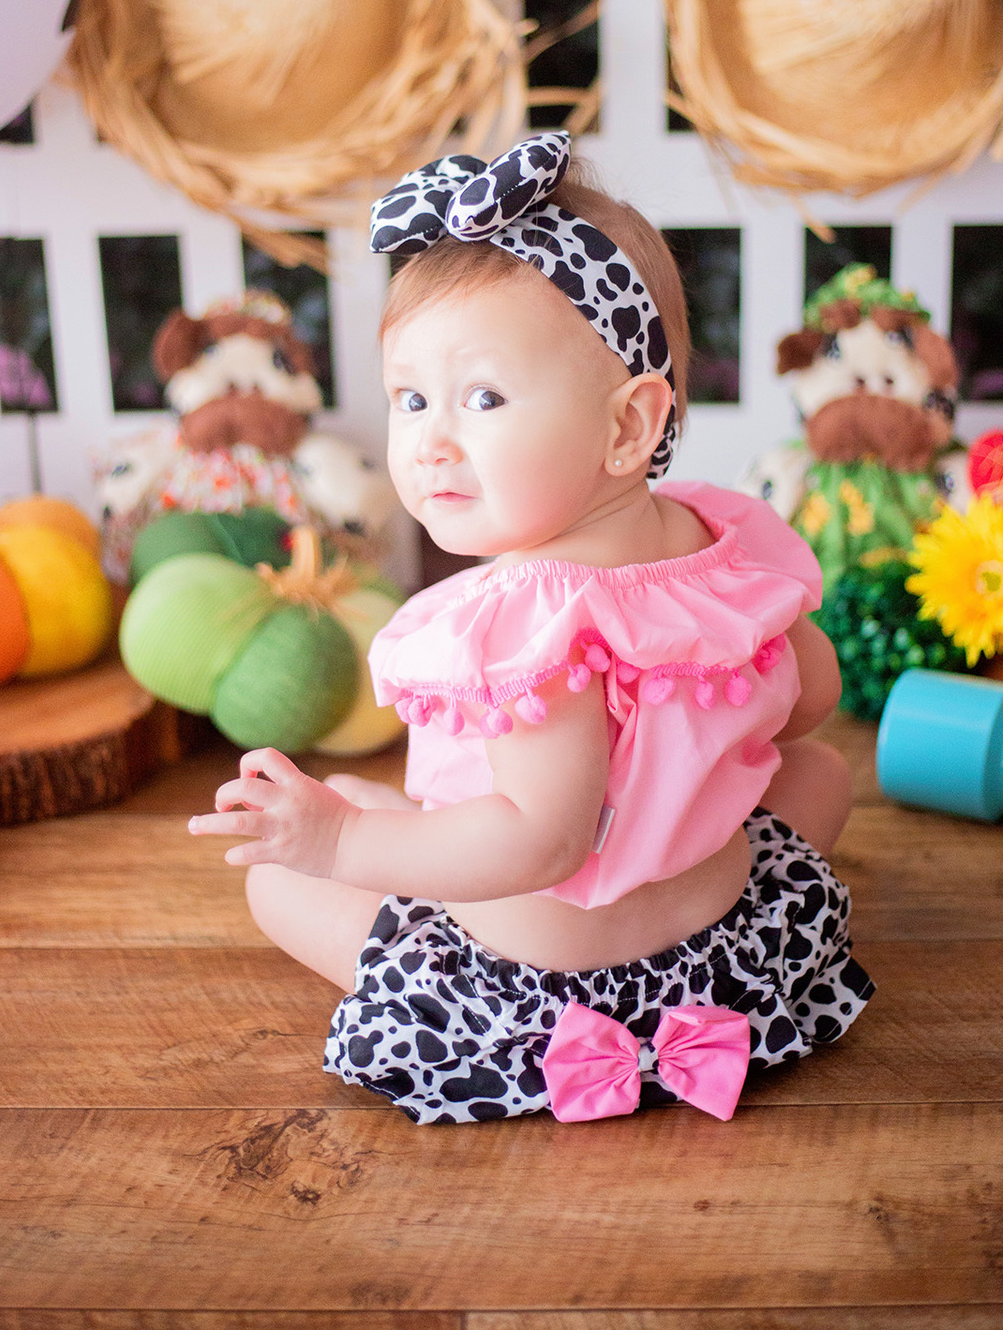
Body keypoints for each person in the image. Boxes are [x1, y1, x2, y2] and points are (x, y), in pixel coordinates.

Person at [188, 131, 874, 1125]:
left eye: (483, 398)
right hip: (728, 946)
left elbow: (542, 845)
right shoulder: (717, 544)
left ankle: (547, 1016)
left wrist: (341, 844)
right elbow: (813, 700)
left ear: (627, 426)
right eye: (411, 398)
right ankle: (701, 975)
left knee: (283, 881)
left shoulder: (517, 621)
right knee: (818, 773)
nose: (431, 441)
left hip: (539, 994)